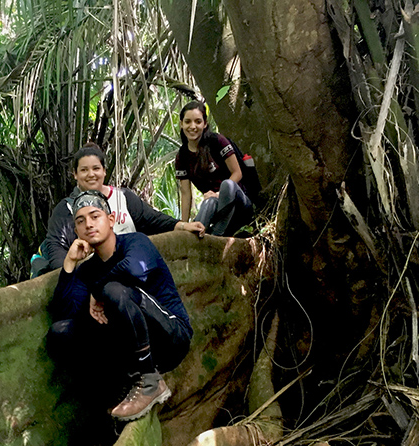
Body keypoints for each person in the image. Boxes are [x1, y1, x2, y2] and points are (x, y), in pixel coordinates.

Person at [50, 190, 192, 421]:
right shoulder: (87, 270)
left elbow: (135, 270)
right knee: (61, 332)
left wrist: (98, 292)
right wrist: (70, 263)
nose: (88, 224)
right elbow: (66, 313)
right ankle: (119, 390)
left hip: (171, 337)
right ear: (76, 231)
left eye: (95, 216)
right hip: (129, 350)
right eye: (81, 221)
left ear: (111, 220)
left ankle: (149, 381)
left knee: (113, 290)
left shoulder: (136, 242)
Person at [32, 144, 205, 276]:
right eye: (84, 170)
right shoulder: (67, 209)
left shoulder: (124, 198)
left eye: (96, 168)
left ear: (104, 171)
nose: (91, 174)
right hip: (90, 279)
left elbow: (153, 220)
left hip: (131, 272)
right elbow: (56, 249)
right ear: (75, 175)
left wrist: (182, 226)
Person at [175, 100, 254, 237]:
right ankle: (193, 238)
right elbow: (186, 193)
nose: (192, 126)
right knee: (209, 202)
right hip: (215, 206)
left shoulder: (217, 141)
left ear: (205, 124)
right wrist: (184, 224)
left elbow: (237, 173)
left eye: (198, 121)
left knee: (227, 185)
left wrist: (218, 194)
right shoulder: (182, 156)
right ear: (181, 124)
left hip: (240, 202)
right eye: (188, 122)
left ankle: (216, 235)